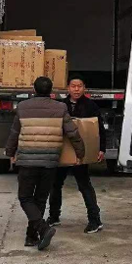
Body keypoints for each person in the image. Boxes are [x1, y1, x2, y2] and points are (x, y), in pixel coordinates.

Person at [6, 76, 85, 250]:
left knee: (25, 197)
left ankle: (42, 228)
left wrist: (10, 153)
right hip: (50, 161)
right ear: (51, 91)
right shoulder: (60, 107)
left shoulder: (22, 107)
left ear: (34, 90)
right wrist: (80, 153)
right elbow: (73, 133)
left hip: (27, 160)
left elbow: (14, 133)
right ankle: (31, 236)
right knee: (40, 199)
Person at [47, 77, 105, 233]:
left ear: (84, 88)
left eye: (80, 86)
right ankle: (53, 216)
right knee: (55, 184)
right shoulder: (61, 105)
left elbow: (99, 129)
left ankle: (95, 220)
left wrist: (101, 149)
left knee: (84, 185)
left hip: (81, 152)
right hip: (64, 151)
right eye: (73, 86)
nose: (76, 89)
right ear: (68, 88)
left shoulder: (91, 106)